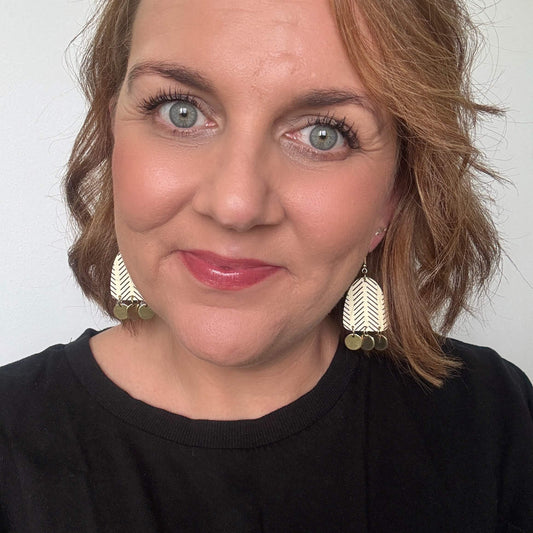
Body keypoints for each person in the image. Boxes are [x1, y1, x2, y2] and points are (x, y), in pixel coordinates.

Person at [1, 0, 532, 531]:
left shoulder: (496, 420)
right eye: (180, 111)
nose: (236, 206)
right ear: (112, 134)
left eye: (324, 134)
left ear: (393, 194)